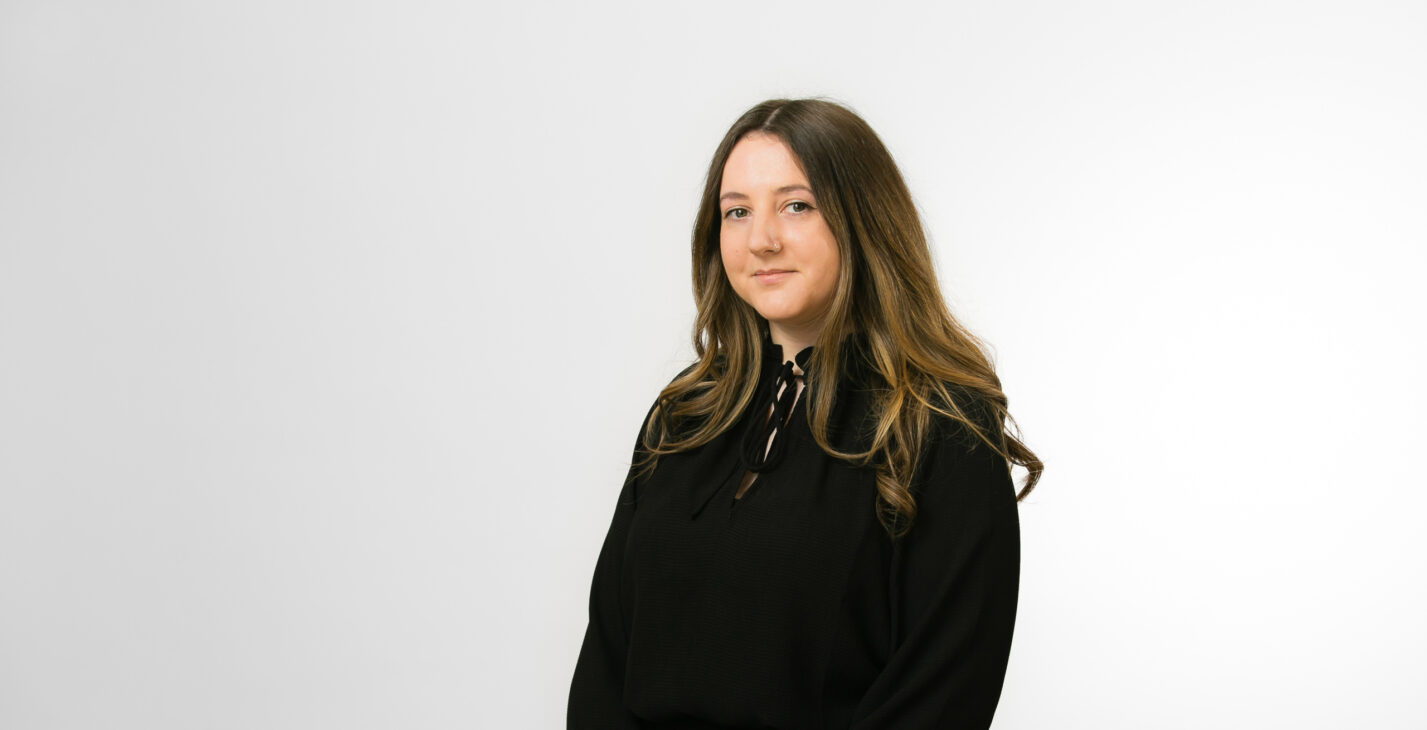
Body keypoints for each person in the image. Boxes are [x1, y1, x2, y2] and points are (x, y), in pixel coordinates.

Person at [568, 98, 1043, 729]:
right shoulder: (686, 413)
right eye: (737, 211)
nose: (762, 240)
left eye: (796, 206)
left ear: (861, 219)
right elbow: (607, 656)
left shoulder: (938, 424)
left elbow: (942, 692)